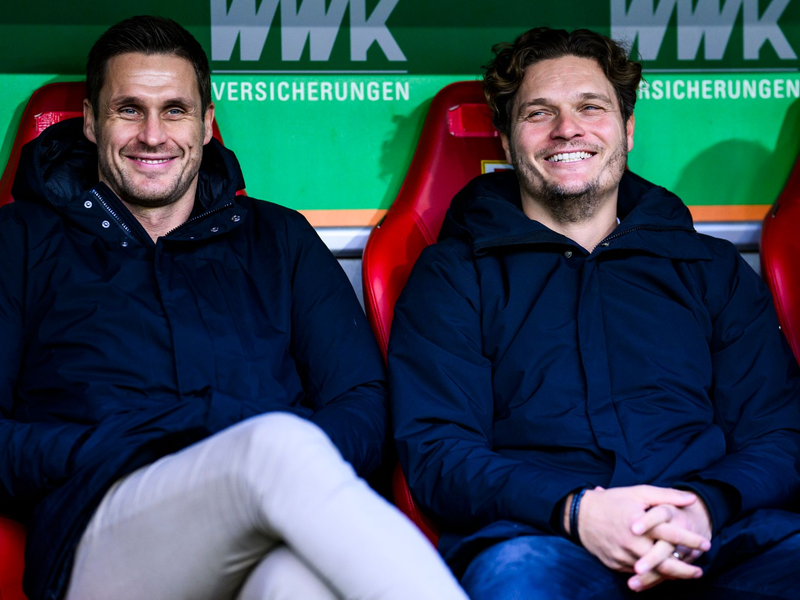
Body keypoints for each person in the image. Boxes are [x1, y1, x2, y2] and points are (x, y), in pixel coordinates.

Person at [0, 15, 467, 600]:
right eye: (128, 110)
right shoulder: (18, 240)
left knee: (298, 585)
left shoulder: (279, 237)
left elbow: (362, 404)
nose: (153, 134)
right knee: (272, 445)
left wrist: (276, 464)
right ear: (91, 122)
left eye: (174, 110)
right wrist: (124, 443)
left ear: (206, 123)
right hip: (101, 533)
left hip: (269, 522)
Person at [389, 27, 800, 599]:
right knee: (516, 580)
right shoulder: (453, 275)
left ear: (627, 129)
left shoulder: (712, 270)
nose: (567, 129)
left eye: (591, 107)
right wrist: (576, 511)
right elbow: (438, 454)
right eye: (539, 113)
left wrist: (705, 507)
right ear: (506, 143)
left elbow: (779, 432)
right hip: (543, 540)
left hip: (717, 534)